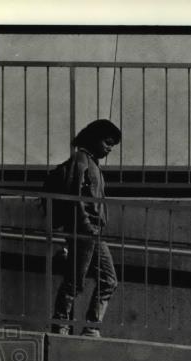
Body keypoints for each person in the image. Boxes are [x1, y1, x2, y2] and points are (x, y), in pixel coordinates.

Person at [51, 119, 122, 336]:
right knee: (75, 281)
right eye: (107, 142)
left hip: (93, 233)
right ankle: (61, 325)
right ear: (94, 138)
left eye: (112, 145)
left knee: (108, 280)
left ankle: (91, 327)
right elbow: (76, 197)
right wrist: (86, 226)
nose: (109, 148)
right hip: (84, 231)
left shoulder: (90, 163)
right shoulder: (80, 161)